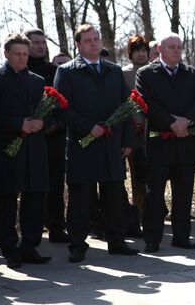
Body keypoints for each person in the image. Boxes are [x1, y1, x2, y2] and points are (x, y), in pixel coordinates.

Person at [54, 23, 139, 263]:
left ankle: (117, 241)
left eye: (96, 39)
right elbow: (61, 109)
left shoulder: (113, 71)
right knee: (81, 197)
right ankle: (78, 245)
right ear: (78, 45)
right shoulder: (68, 72)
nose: (94, 43)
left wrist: (127, 140)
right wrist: (87, 127)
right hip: (83, 144)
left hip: (111, 144)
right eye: (88, 40)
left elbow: (126, 107)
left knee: (114, 195)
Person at [136, 33, 195, 253]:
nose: (176, 51)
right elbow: (146, 103)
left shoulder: (192, 73)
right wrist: (172, 123)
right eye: (171, 47)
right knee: (154, 194)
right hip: (159, 144)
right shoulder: (146, 73)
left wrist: (187, 121)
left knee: (183, 193)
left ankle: (182, 237)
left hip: (185, 142)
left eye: (179, 47)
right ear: (159, 49)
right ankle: (152, 239)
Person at [0, 34, 53, 269]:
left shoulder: (38, 81)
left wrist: (42, 123)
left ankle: (30, 246)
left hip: (34, 147)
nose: (21, 58)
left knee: (35, 198)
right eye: (17, 54)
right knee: (7, 199)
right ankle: (9, 249)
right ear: (6, 54)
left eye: (25, 54)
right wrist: (19, 123)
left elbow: (49, 113)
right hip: (6, 148)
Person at [24, 28, 69, 244]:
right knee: (32, 185)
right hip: (28, 135)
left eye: (43, 42)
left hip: (55, 135)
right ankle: (31, 230)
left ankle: (57, 227)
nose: (40, 46)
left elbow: (63, 102)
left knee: (56, 183)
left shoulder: (55, 70)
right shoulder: (22, 70)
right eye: (35, 42)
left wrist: (52, 124)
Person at [122, 34, 149, 232]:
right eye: (137, 50)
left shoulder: (154, 71)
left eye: (143, 50)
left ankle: (154, 213)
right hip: (132, 132)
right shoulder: (123, 74)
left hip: (154, 130)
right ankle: (138, 216)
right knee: (137, 176)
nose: (141, 54)